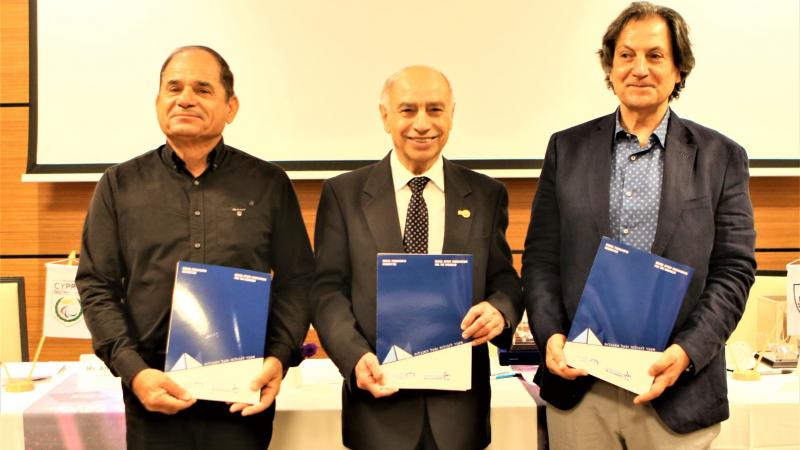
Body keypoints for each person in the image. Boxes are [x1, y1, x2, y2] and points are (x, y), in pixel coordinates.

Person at [522, 2, 757, 448]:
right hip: (580, 388)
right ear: (609, 67)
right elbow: (540, 259)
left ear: (679, 69)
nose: (639, 69)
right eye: (626, 55)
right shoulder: (565, 149)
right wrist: (550, 335)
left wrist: (686, 353)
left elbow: (733, 270)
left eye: (655, 56)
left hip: (676, 392)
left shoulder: (720, 158)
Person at [76, 45, 314, 450]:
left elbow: (299, 281)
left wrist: (277, 358)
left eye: (203, 89)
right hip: (152, 393)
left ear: (230, 107)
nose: (185, 98)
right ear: (158, 102)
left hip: (242, 395)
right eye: (174, 88)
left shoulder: (269, 184)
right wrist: (133, 372)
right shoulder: (119, 185)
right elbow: (96, 286)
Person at [310, 65, 523, 450]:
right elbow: (327, 292)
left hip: (460, 414)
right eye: (408, 110)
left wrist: (500, 309)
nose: (422, 124)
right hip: (378, 407)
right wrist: (354, 357)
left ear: (452, 115)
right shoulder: (344, 194)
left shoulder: (486, 194)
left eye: (435, 109)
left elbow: (504, 278)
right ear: (385, 116)